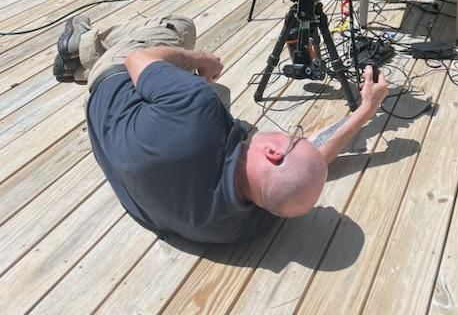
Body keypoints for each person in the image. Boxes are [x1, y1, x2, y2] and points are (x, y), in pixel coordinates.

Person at [52, 14, 389, 244]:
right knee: (216, 91)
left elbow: (137, 59)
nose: (296, 137)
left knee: (178, 28)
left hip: (113, 91)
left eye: (295, 138)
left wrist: (195, 58)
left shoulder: (197, 109)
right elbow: (309, 161)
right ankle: (82, 61)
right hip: (123, 153)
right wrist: (364, 111)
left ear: (272, 153)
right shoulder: (247, 222)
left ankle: (78, 45)